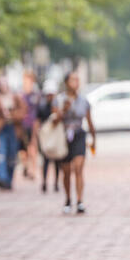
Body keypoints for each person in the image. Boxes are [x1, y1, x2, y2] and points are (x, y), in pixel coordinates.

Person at [52, 72, 96, 214]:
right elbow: (54, 121)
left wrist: (93, 139)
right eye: (72, 80)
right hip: (63, 136)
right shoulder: (59, 100)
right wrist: (63, 110)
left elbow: (89, 121)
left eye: (77, 80)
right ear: (66, 82)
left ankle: (79, 200)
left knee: (78, 167)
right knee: (66, 171)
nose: (75, 82)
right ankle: (67, 199)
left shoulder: (84, 100)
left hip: (78, 134)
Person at [0, 76, 25, 190]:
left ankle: (9, 179)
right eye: (0, 84)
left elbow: (23, 112)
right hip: (1, 128)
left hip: (13, 128)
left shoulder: (15, 97)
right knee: (0, 153)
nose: (3, 86)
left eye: (4, 83)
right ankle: (2, 178)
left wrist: (11, 115)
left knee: (12, 155)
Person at [34, 79, 60, 193]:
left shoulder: (57, 105)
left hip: (55, 135)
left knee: (57, 160)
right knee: (45, 160)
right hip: (45, 136)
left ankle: (56, 182)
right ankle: (44, 181)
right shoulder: (42, 106)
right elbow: (37, 122)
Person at [19, 71, 40, 180]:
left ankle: (33, 170)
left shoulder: (36, 96)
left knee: (32, 147)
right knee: (23, 149)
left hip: (32, 125)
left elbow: (38, 112)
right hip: (22, 125)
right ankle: (25, 166)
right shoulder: (20, 95)